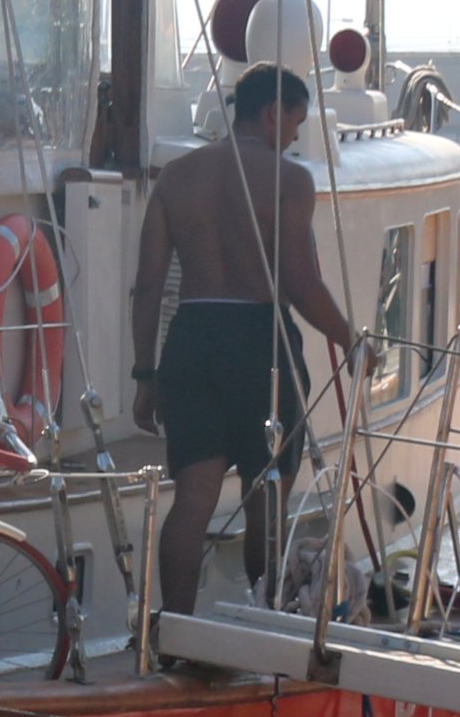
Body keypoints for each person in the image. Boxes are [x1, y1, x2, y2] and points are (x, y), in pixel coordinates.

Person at [131, 63, 364, 617]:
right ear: (272, 111)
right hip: (259, 339)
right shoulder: (289, 180)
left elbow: (147, 287)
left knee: (192, 499)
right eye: (295, 122)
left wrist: (147, 376)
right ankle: (263, 622)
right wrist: (353, 342)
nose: (294, 136)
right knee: (267, 494)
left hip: (189, 339)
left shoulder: (176, 178)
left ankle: (175, 633)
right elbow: (301, 284)